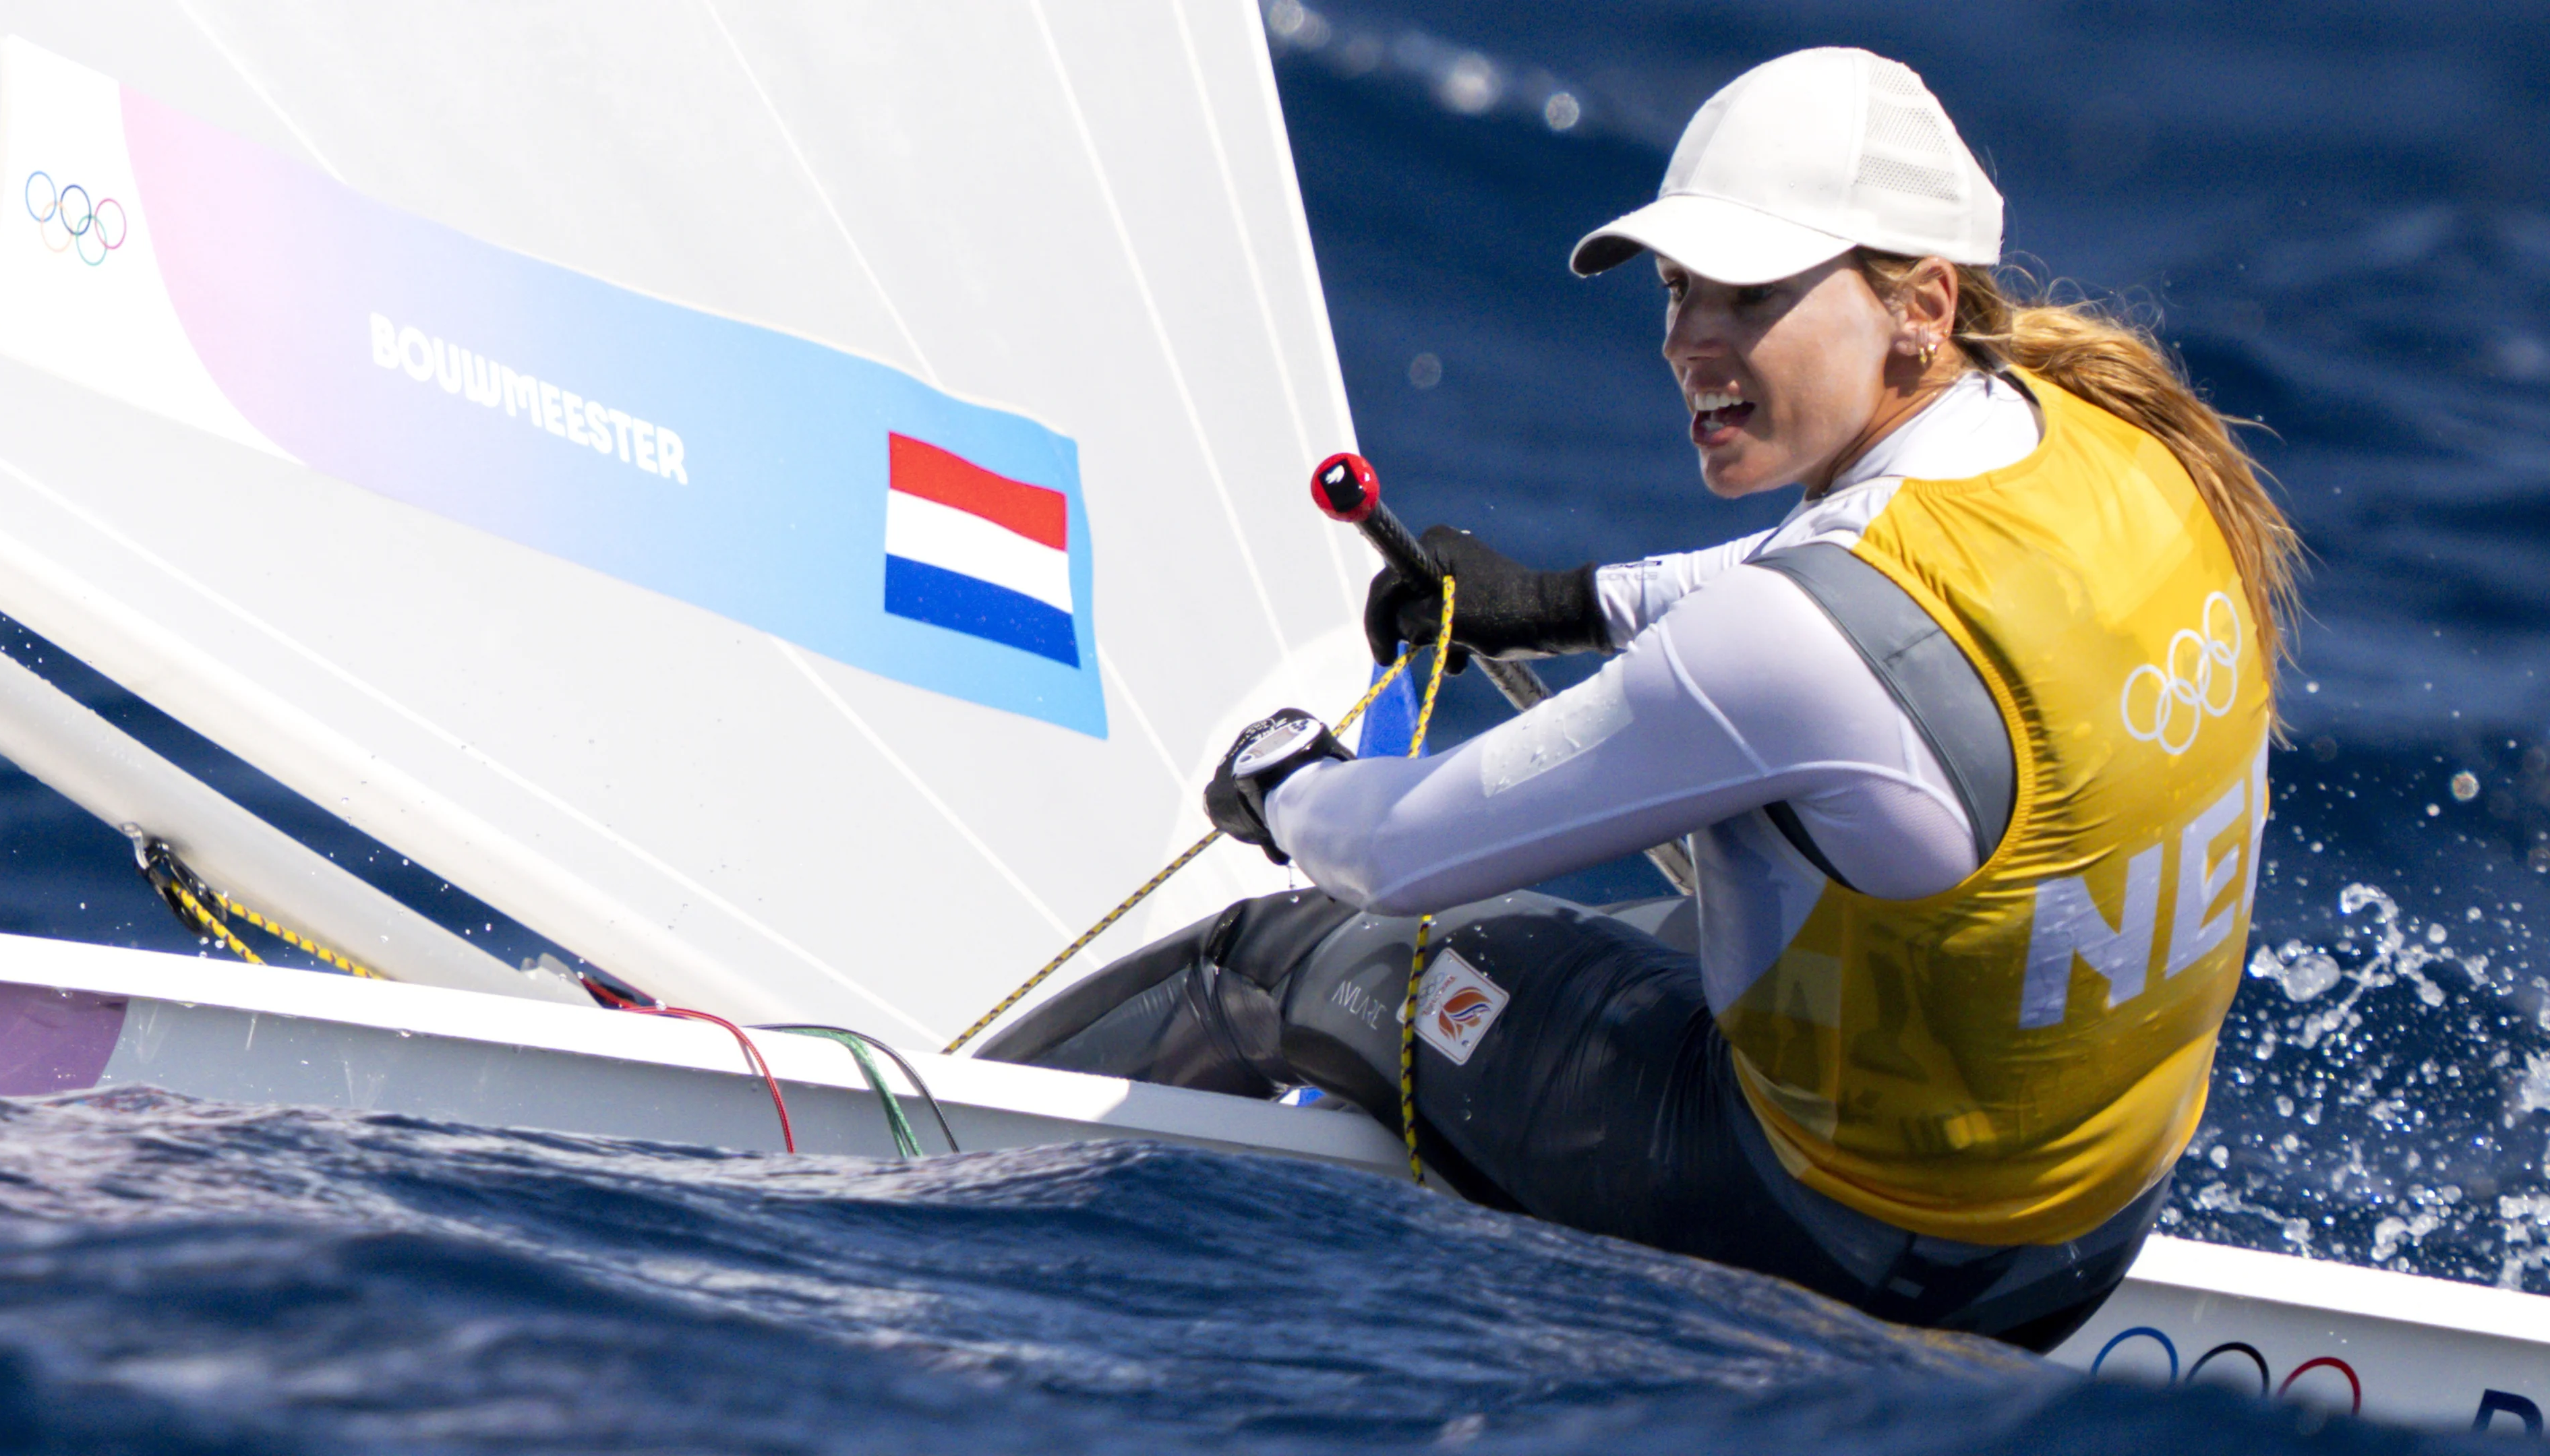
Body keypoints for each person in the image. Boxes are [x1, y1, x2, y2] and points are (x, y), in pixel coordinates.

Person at [983, 47, 2297, 1352]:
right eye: (1678, 291)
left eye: (1750, 294)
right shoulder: (2123, 449)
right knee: (1637, 919)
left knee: (1282, 957)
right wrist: (1564, 601)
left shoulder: (1801, 640)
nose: (1688, 342)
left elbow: (1394, 854)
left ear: (1924, 306)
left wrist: (1279, 778)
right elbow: (1858, 595)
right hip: (2082, 1240)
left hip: (1860, 1250)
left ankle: (954, 1179)